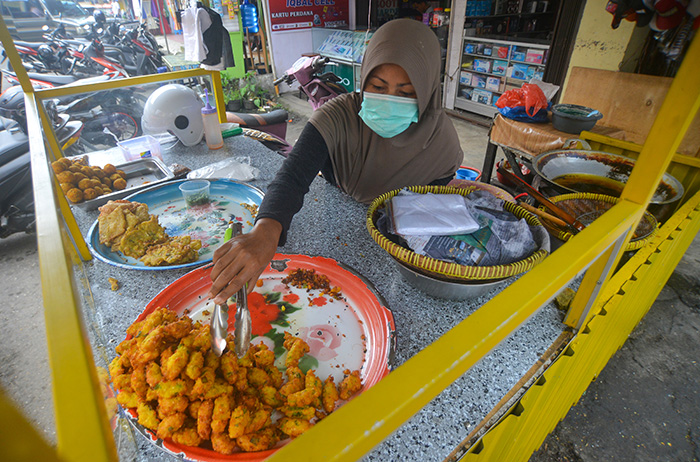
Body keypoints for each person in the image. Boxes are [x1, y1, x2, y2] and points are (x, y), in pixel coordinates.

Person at [208, 18, 463, 304]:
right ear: (363, 79)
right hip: (338, 204)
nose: (389, 100)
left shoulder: (441, 139)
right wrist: (266, 230)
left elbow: (432, 196)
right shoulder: (338, 115)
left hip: (397, 248)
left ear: (427, 92)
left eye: (405, 93)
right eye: (377, 87)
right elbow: (293, 176)